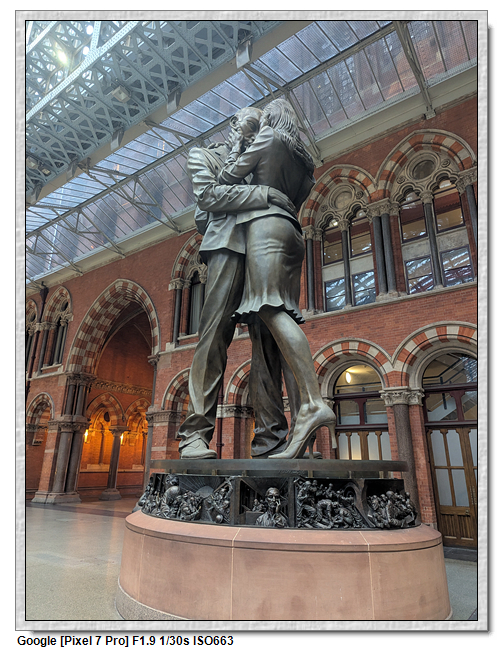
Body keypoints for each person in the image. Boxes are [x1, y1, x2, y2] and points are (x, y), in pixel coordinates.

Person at [178, 106, 299, 459]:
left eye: (260, 126)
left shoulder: (264, 154)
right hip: (228, 245)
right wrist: (264, 196)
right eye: (250, 124)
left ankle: (270, 438)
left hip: (266, 246)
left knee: (269, 341)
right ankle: (194, 436)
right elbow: (208, 200)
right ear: (233, 124)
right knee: (214, 334)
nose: (254, 132)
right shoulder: (203, 155)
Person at [218, 98, 336, 459]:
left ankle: (313, 403)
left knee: (270, 310)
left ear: (270, 118)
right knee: (279, 323)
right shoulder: (303, 157)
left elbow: (227, 177)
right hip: (292, 231)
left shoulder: (267, 137)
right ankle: (301, 429)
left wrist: (239, 145)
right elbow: (297, 197)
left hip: (266, 228)